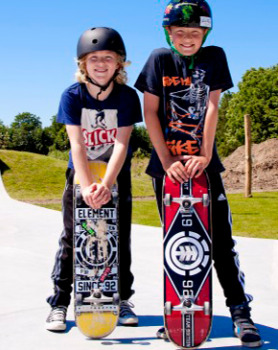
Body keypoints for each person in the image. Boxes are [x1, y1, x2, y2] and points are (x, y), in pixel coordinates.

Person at [135, 0, 262, 347]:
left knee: (221, 242)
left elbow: (212, 106)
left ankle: (240, 312)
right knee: (178, 242)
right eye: (180, 32)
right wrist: (165, 160)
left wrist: (205, 154)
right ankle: (177, 313)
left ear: (205, 32)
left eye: (194, 32)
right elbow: (150, 112)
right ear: (168, 32)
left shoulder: (215, 56)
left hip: (204, 168)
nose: (187, 38)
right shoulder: (159, 59)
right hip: (167, 171)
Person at [46, 27, 142, 331]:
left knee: (118, 238)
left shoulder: (127, 97)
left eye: (108, 58)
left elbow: (122, 144)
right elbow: (76, 145)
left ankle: (122, 299)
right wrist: (87, 185)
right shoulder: (72, 96)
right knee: (72, 238)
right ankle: (60, 303)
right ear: (82, 64)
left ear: (119, 64)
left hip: (115, 174)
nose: (101, 63)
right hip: (81, 174)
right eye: (94, 58)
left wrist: (108, 182)